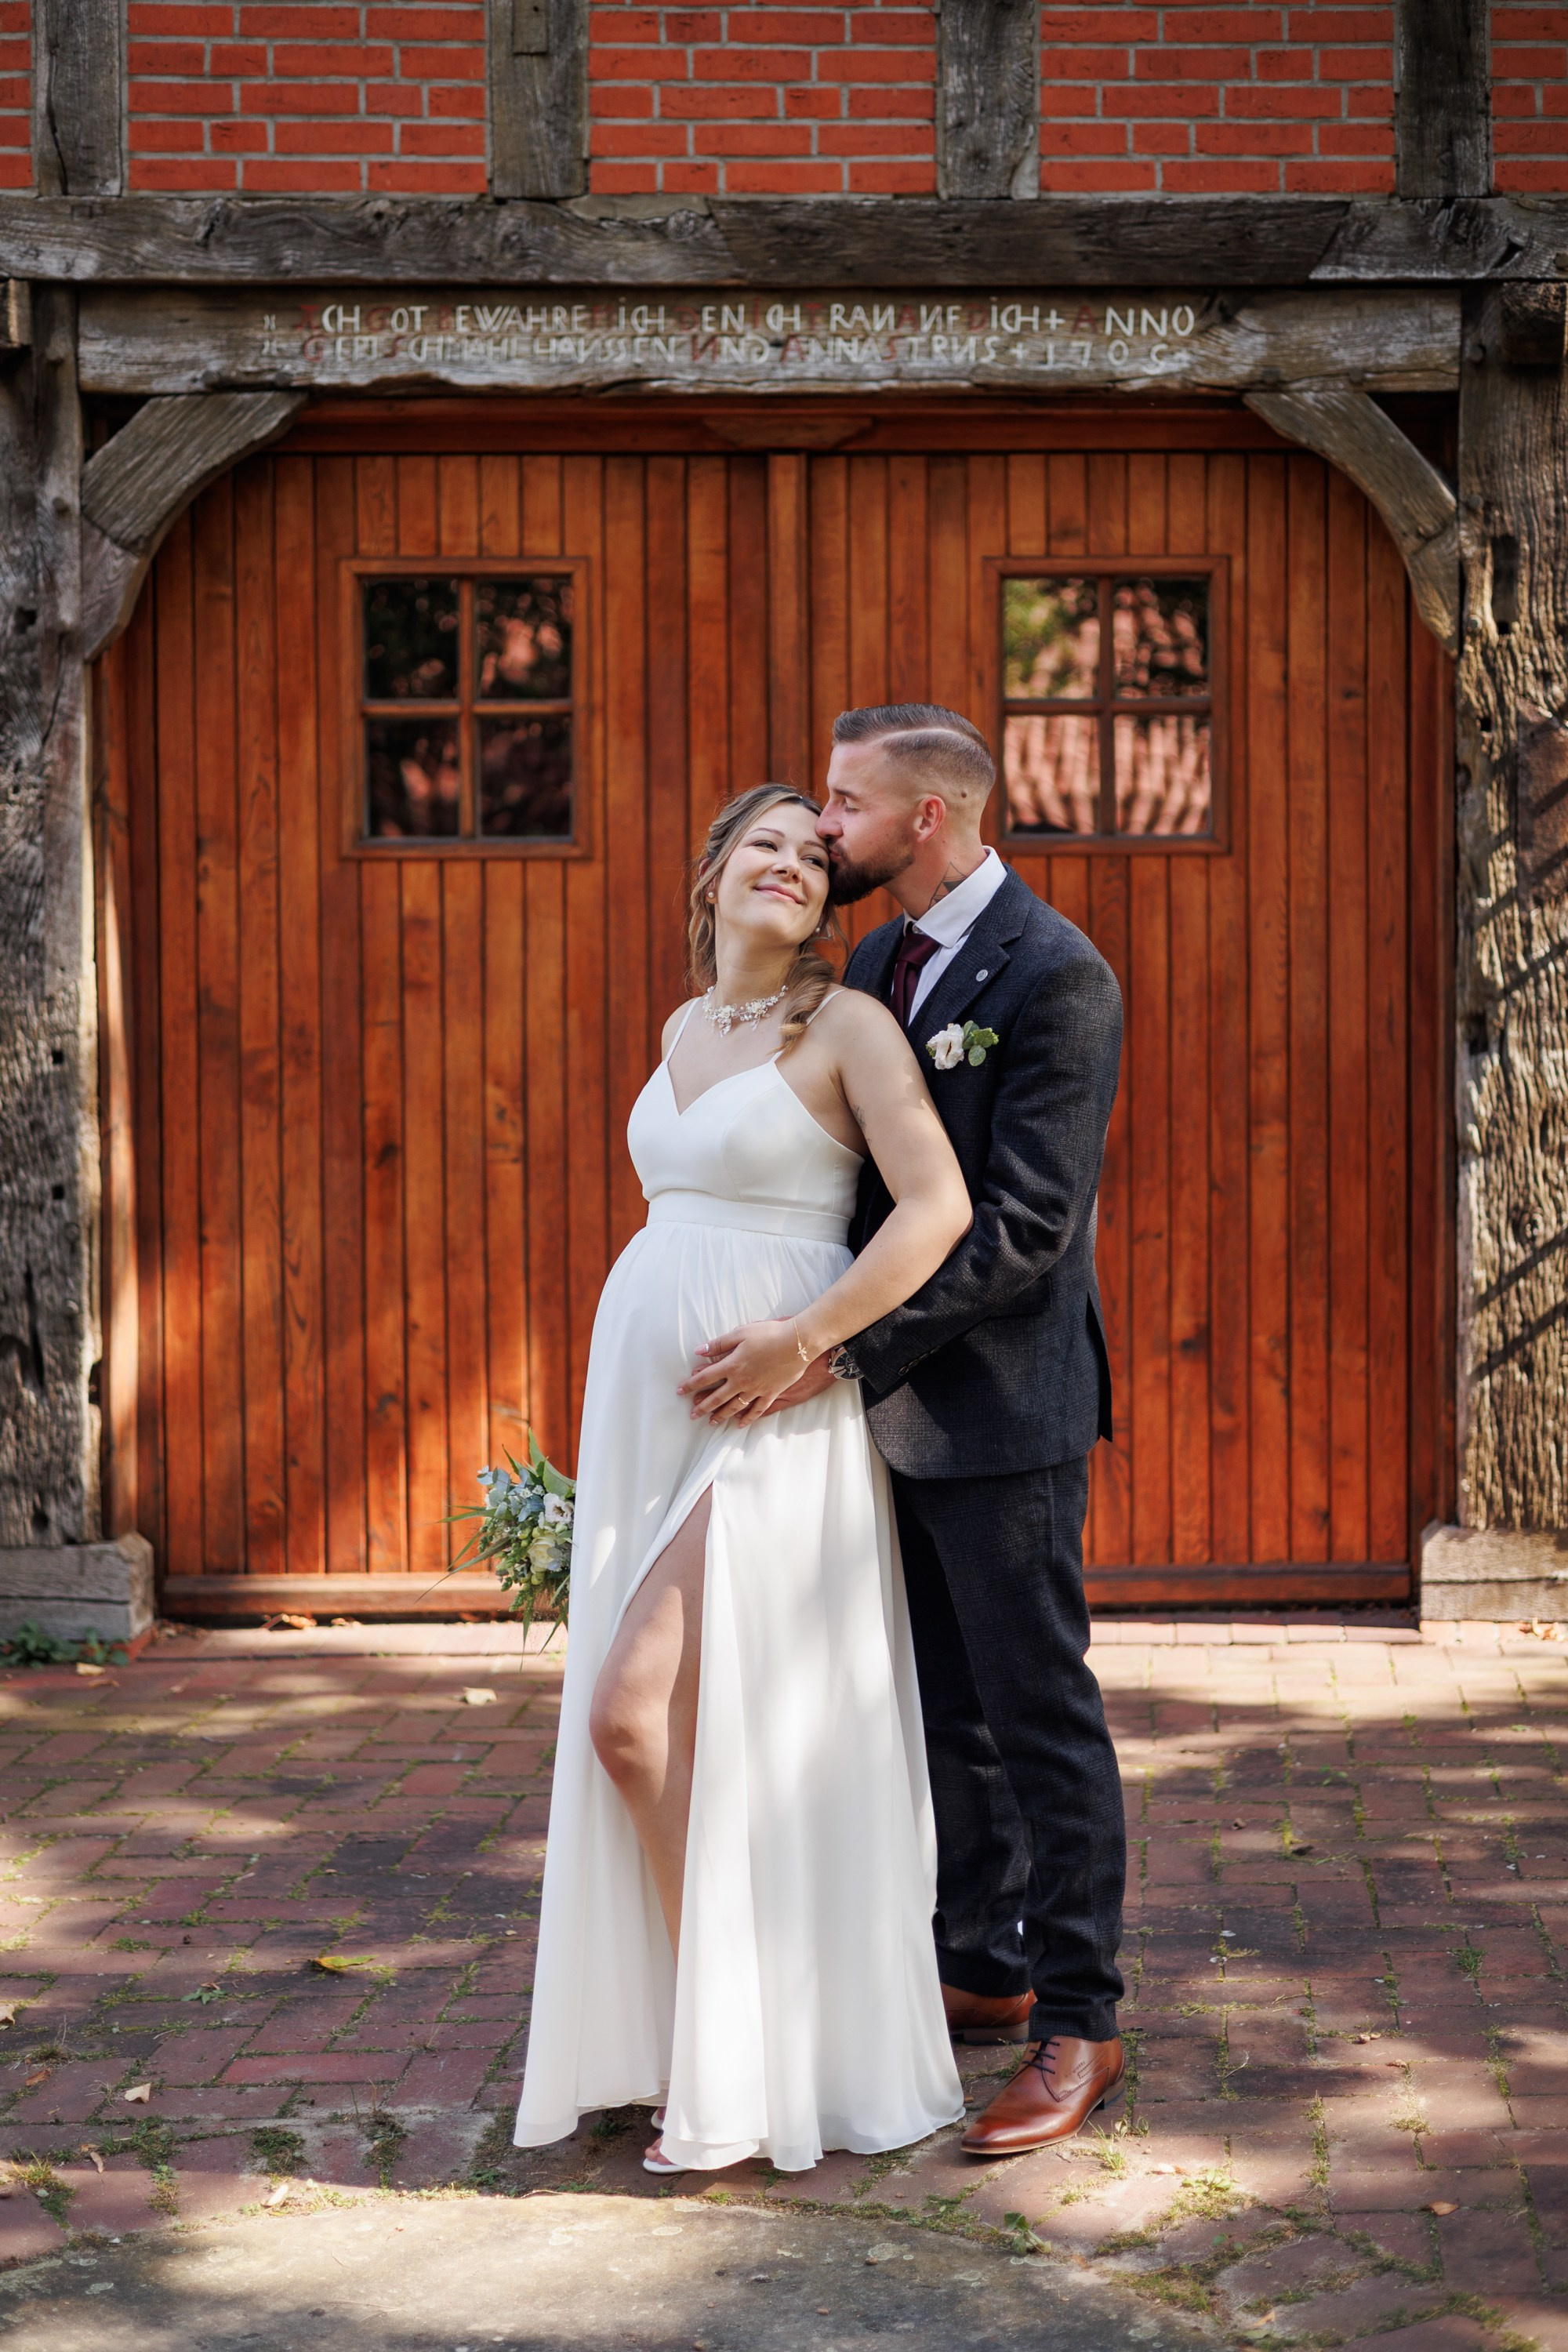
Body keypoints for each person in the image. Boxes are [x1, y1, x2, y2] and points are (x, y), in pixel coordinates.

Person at [513, 784, 974, 2176]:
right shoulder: (681, 1030)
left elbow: (940, 1207)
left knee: (631, 1720)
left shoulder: (847, 1029)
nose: (788, 866)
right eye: (763, 845)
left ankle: (735, 2029)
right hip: (654, 1420)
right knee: (687, 1733)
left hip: (775, 1413)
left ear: (827, 906)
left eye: (813, 857)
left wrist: (810, 1343)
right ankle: (708, 2038)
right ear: (713, 873)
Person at [727, 703, 1127, 2158]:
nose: (826, 826)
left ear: (930, 821)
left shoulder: (1059, 976)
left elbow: (1025, 1229)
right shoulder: (885, 962)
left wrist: (837, 1345)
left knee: (1039, 1714)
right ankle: (988, 1962)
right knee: (939, 1707)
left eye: (845, 803)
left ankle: (1085, 2016)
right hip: (876, 1409)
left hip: (1003, 1407)